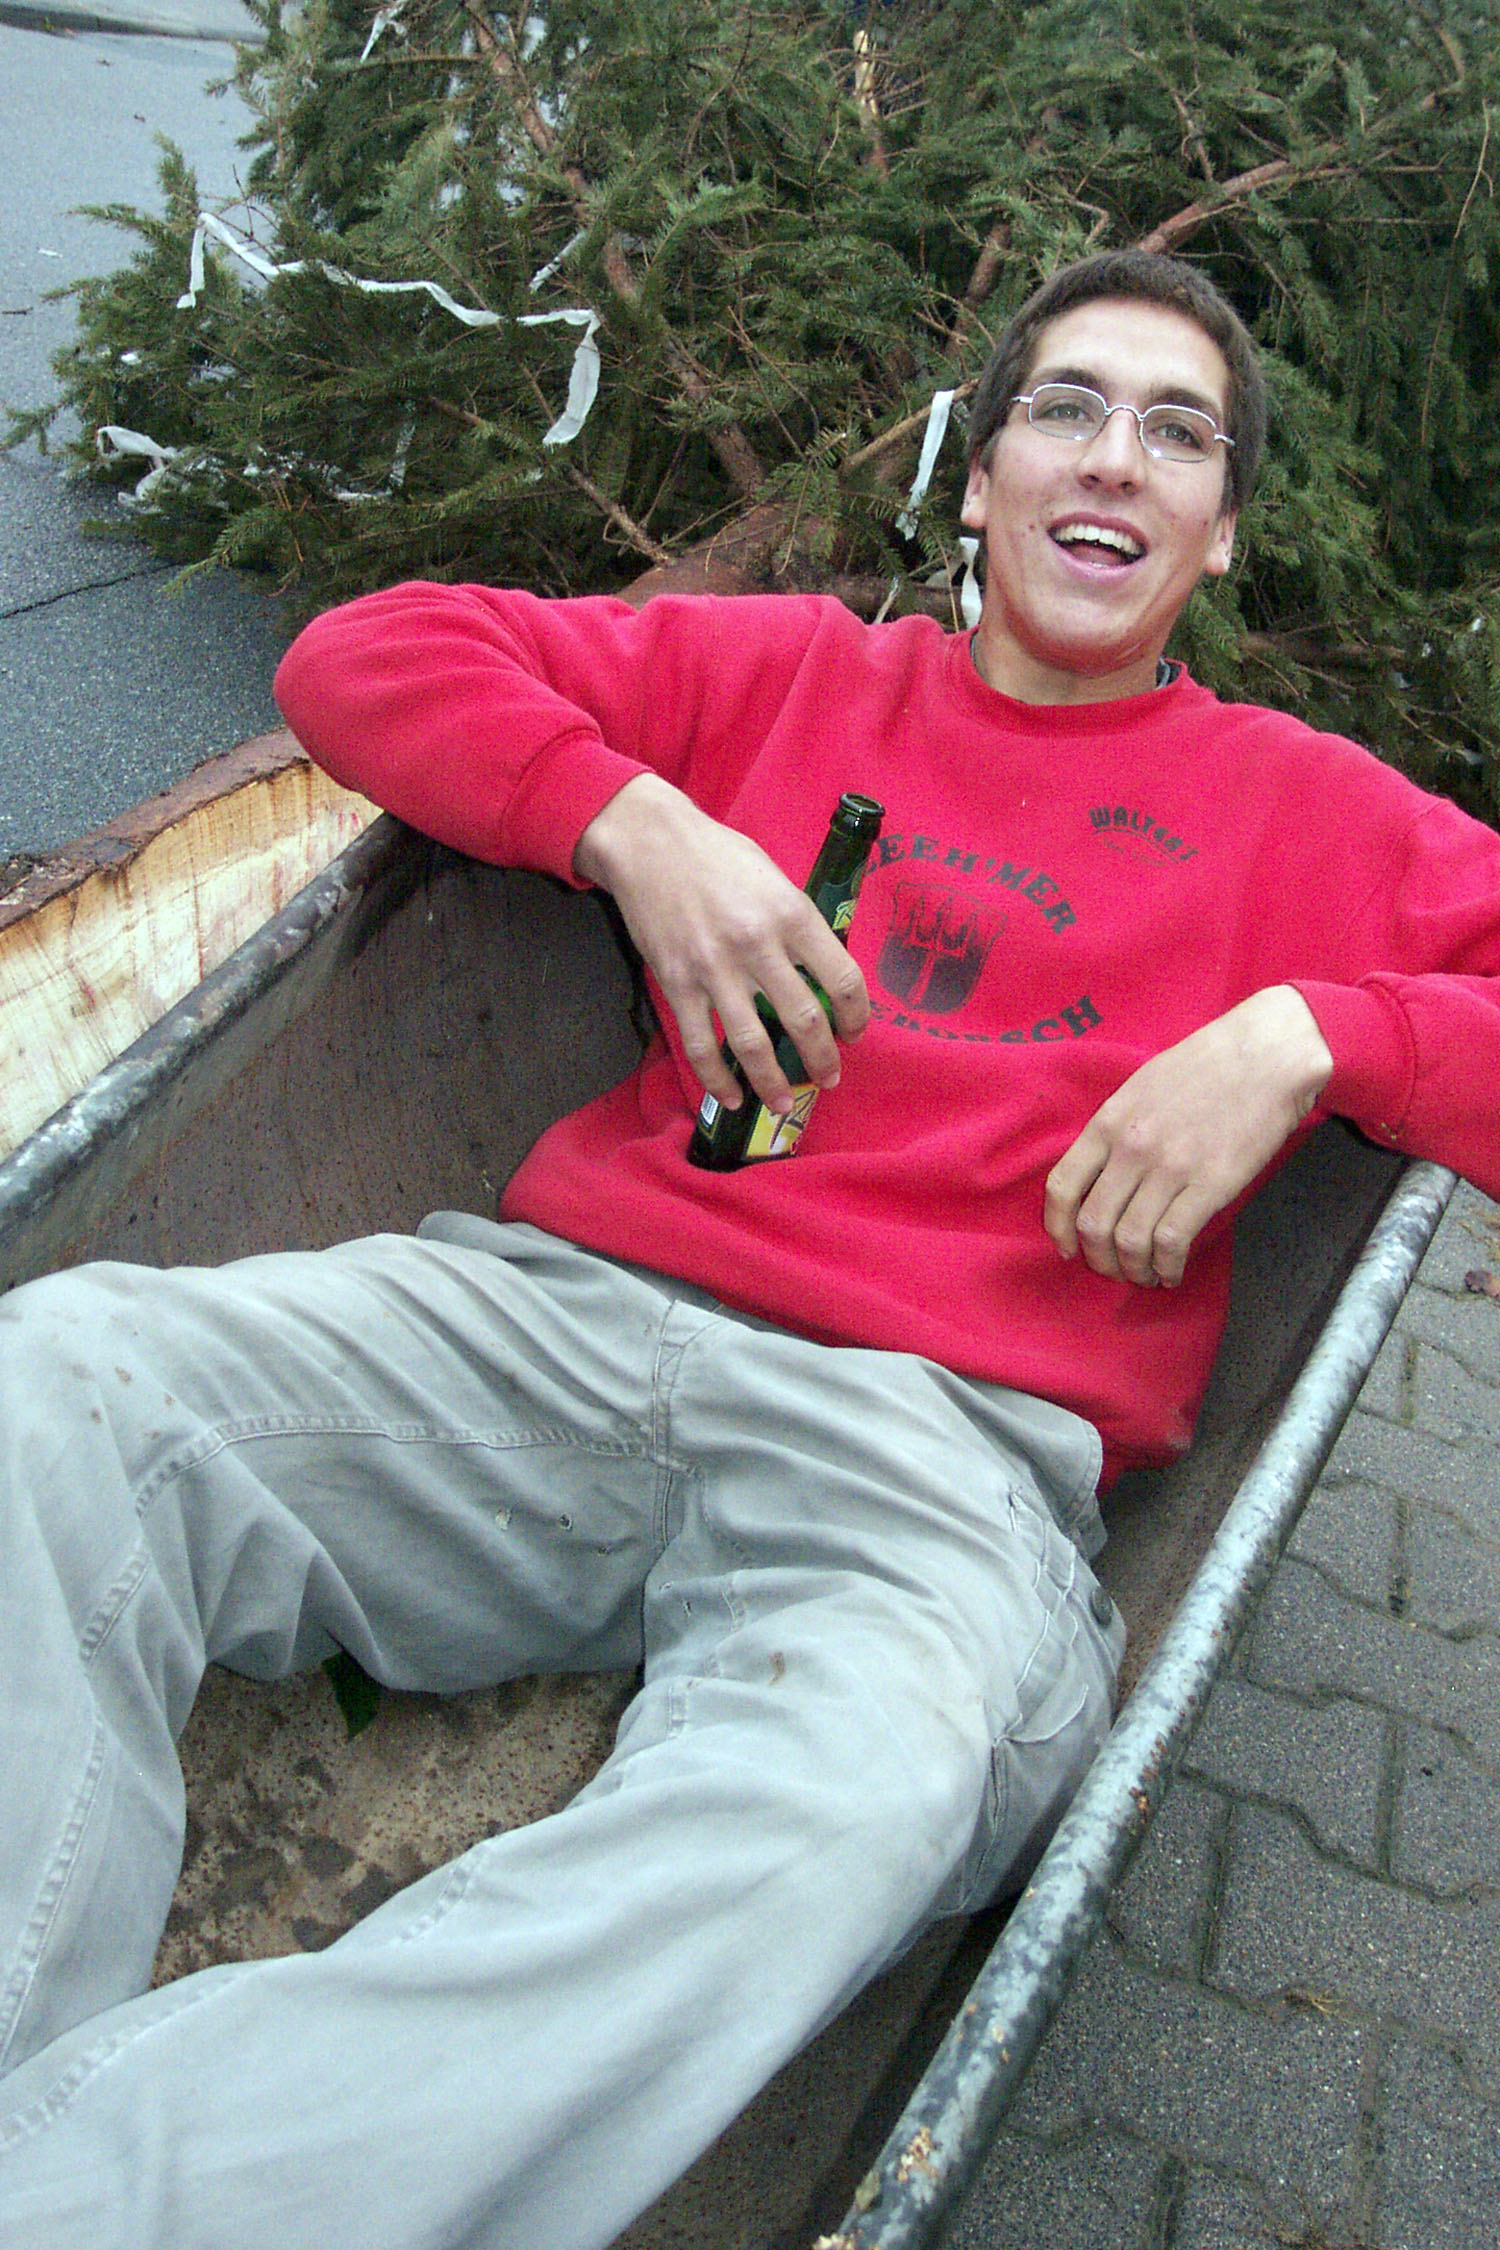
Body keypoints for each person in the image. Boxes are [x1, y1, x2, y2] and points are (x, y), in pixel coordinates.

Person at [1, 250, 1496, 2250]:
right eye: (1064, 407)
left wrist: (1328, 1029)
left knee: (840, 1809)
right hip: (559, 1335)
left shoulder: (1310, 815)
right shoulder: (798, 675)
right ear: (984, 476)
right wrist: (633, 821)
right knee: (54, 1391)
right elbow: (368, 654)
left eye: (1178, 432)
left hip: (935, 1470)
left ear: (1219, 533)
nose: (1111, 457)